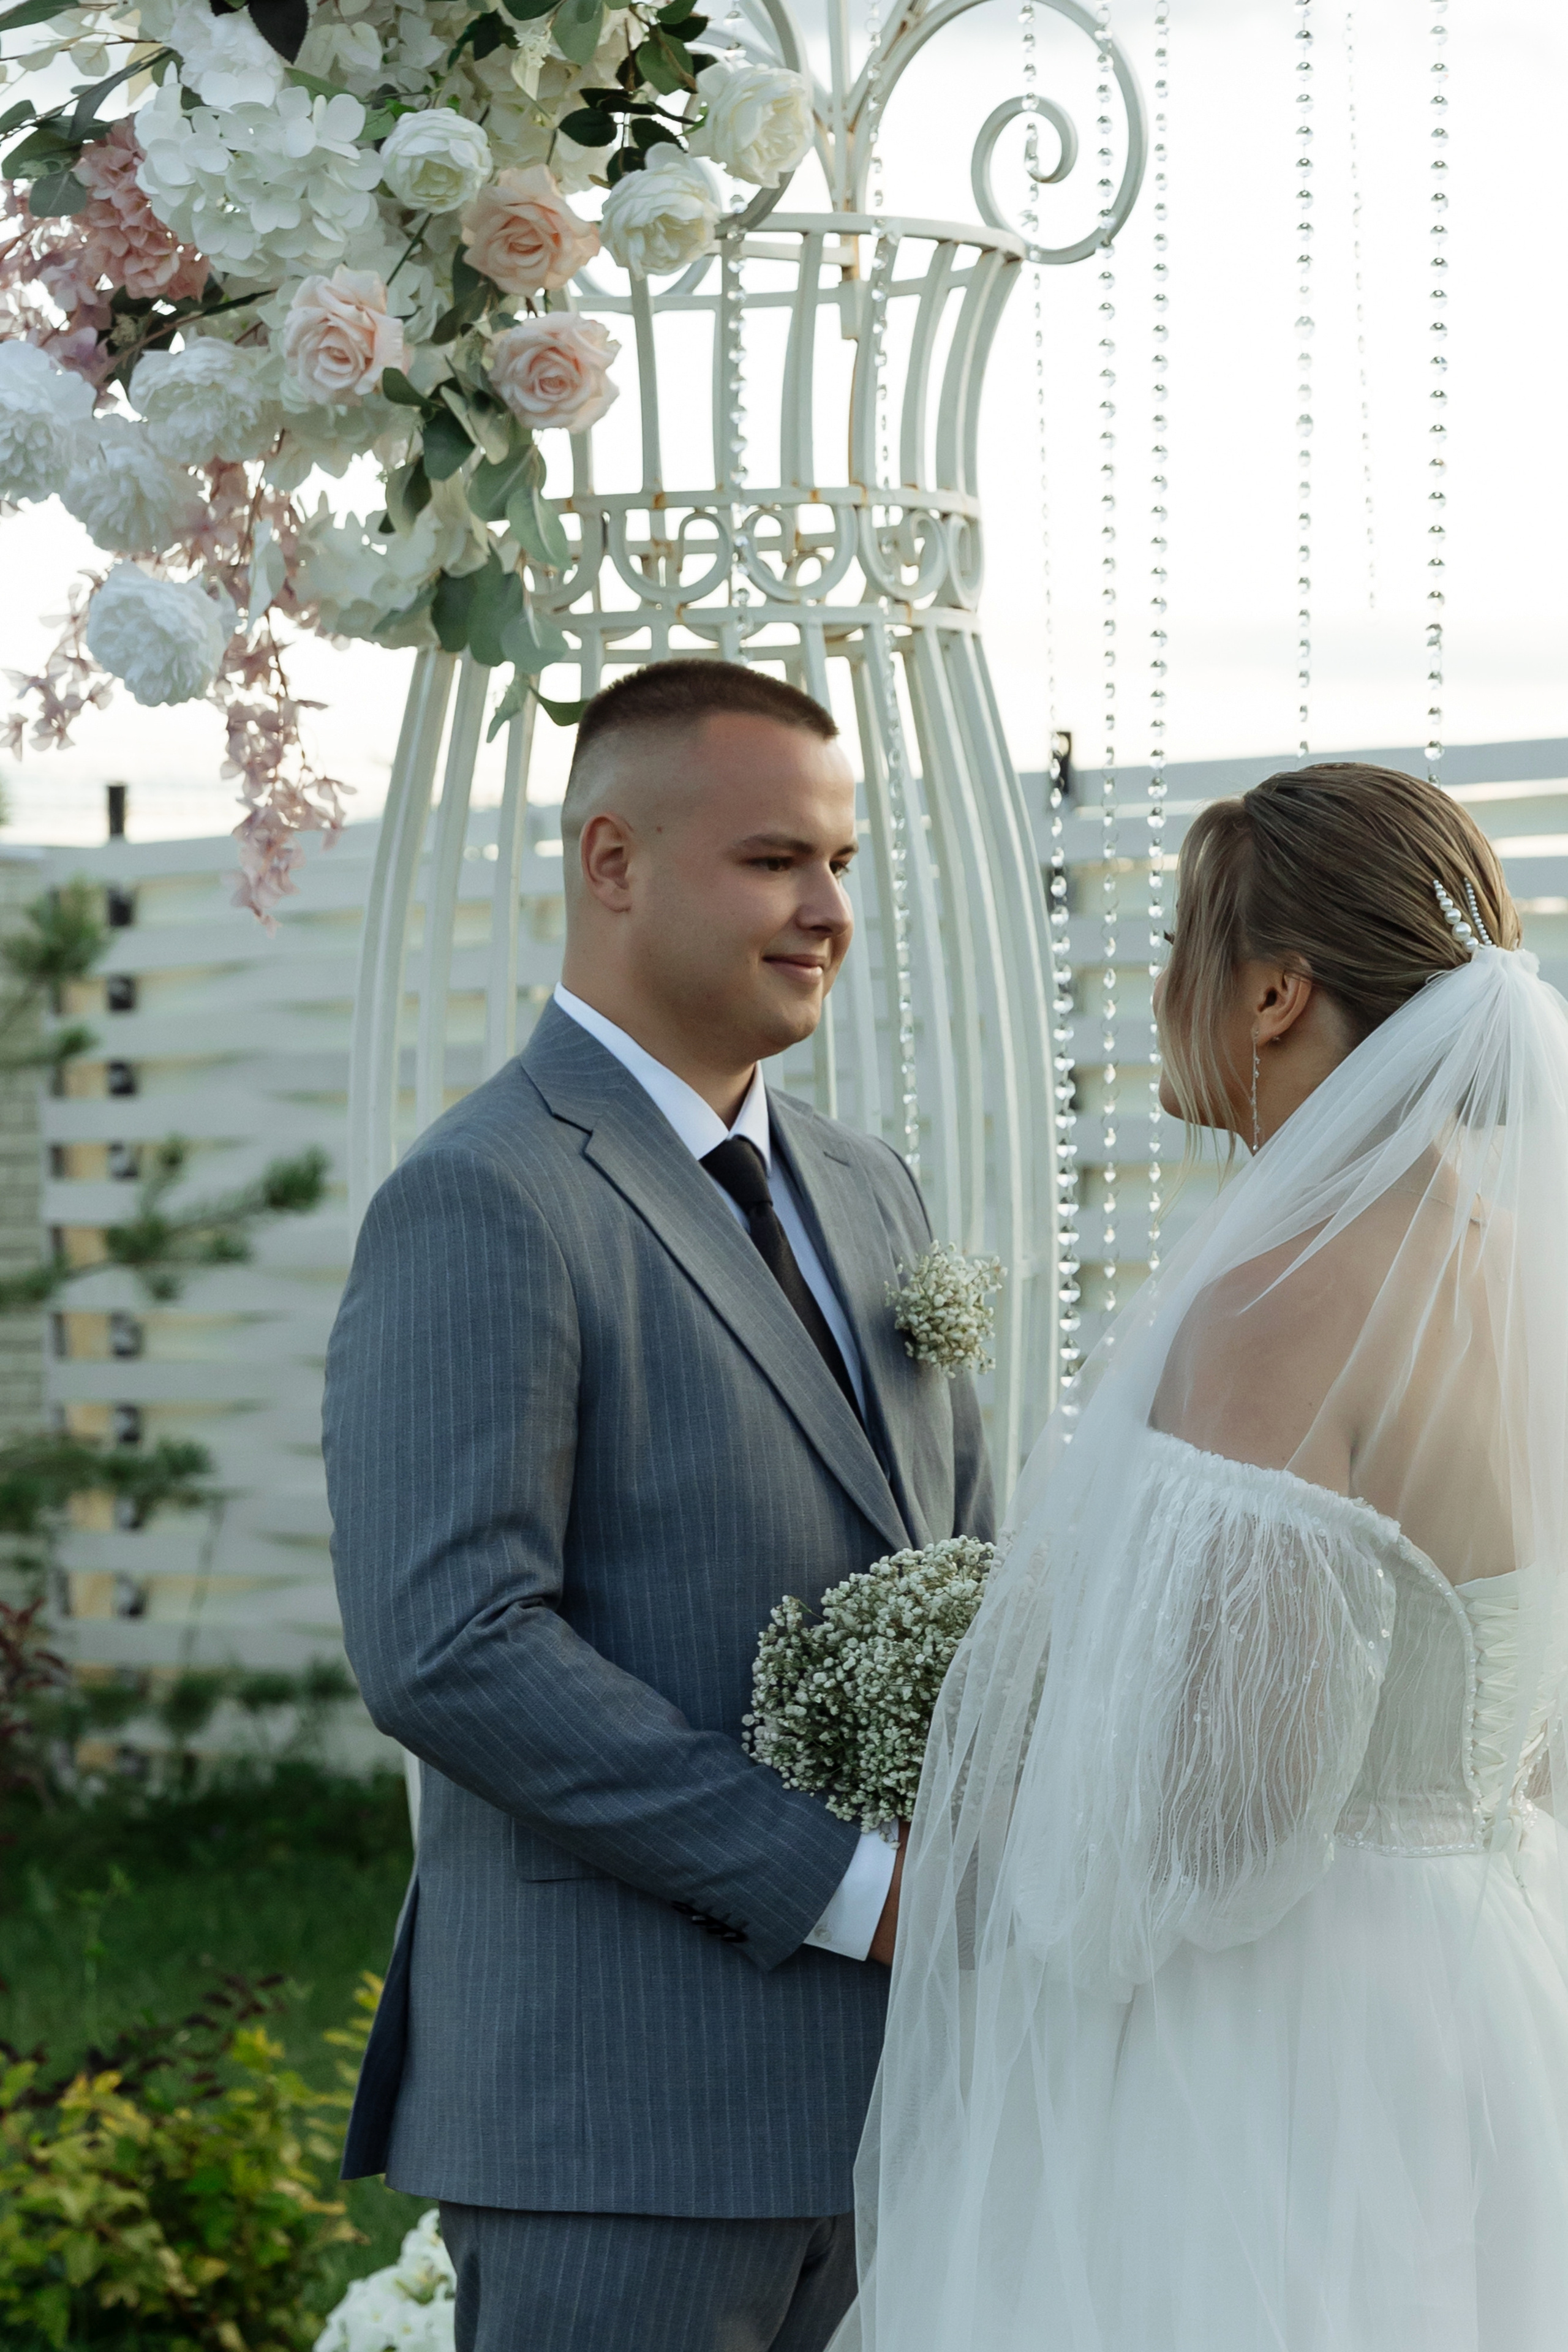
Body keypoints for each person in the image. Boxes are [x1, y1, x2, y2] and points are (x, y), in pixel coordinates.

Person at [839, 763, 1568, 2351]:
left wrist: (1014, 1837)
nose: (1161, 987)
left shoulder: (1289, 1292)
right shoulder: (1518, 1271)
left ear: (1272, 994)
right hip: (1493, 1983)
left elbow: (1233, 1809)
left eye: (1181, 944)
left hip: (1286, 2035)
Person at [323, 658, 993, 2352]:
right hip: (624, 2119)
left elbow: (962, 1559)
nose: (828, 910)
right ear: (611, 861)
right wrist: (852, 1885)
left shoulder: (868, 1184)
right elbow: (453, 1647)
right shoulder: (487, 1196)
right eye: (777, 861)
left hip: (909, 2121)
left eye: (842, 863)